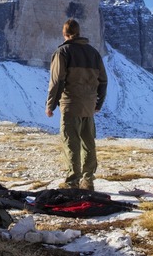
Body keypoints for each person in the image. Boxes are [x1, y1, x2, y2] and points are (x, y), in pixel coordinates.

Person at [46, 18, 108, 191]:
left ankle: (72, 181)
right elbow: (103, 81)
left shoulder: (63, 52)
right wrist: (98, 103)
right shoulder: (94, 53)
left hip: (70, 104)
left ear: (64, 33)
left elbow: (57, 80)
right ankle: (88, 181)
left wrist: (50, 105)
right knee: (88, 142)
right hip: (88, 106)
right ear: (79, 32)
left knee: (71, 142)